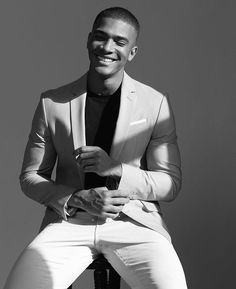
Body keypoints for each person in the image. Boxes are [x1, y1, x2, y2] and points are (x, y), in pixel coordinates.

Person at [4, 7, 188, 289]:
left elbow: (170, 183)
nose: (107, 47)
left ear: (133, 52)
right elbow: (30, 177)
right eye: (101, 37)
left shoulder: (155, 104)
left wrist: (116, 169)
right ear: (89, 39)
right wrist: (77, 198)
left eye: (119, 41)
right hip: (69, 222)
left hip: (134, 222)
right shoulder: (52, 103)